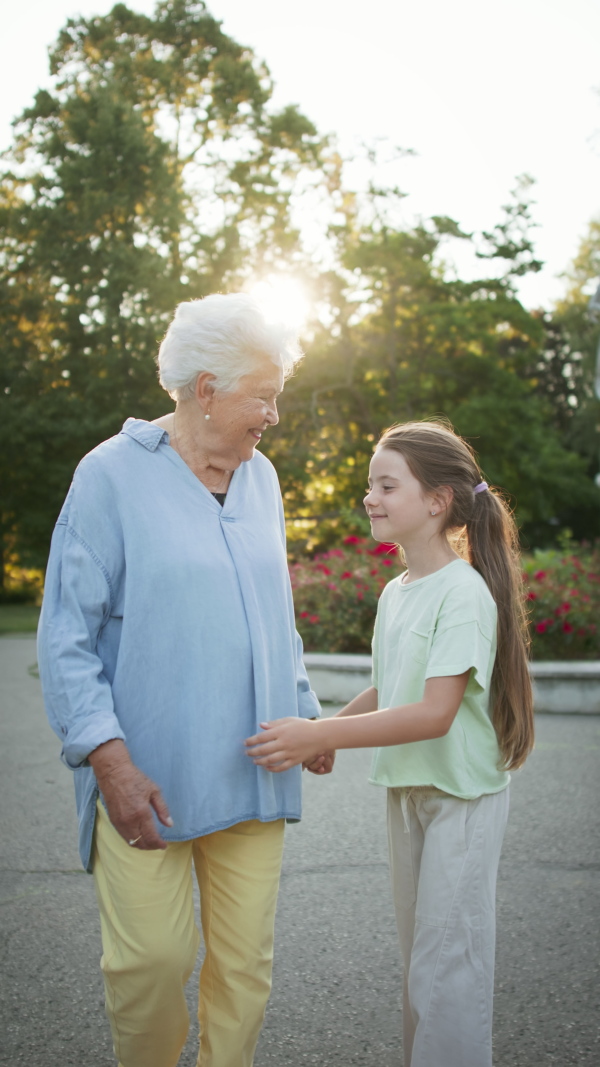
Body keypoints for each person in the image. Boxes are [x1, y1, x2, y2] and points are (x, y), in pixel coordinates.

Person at [37, 293, 329, 1067]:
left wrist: (308, 712)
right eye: (261, 395)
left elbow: (276, 613)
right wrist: (110, 761)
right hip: (149, 774)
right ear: (206, 388)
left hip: (256, 762)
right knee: (152, 963)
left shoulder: (261, 478)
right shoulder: (109, 475)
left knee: (245, 968)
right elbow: (66, 634)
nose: (272, 413)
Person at [246, 419, 535, 1067]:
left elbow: (434, 711)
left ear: (437, 501)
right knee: (420, 964)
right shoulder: (397, 591)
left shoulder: (464, 592)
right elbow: (393, 683)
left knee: (447, 967)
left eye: (386, 484)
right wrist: (336, 733)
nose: (369, 497)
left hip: (461, 794)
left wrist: (320, 731)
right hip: (409, 788)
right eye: (368, 485)